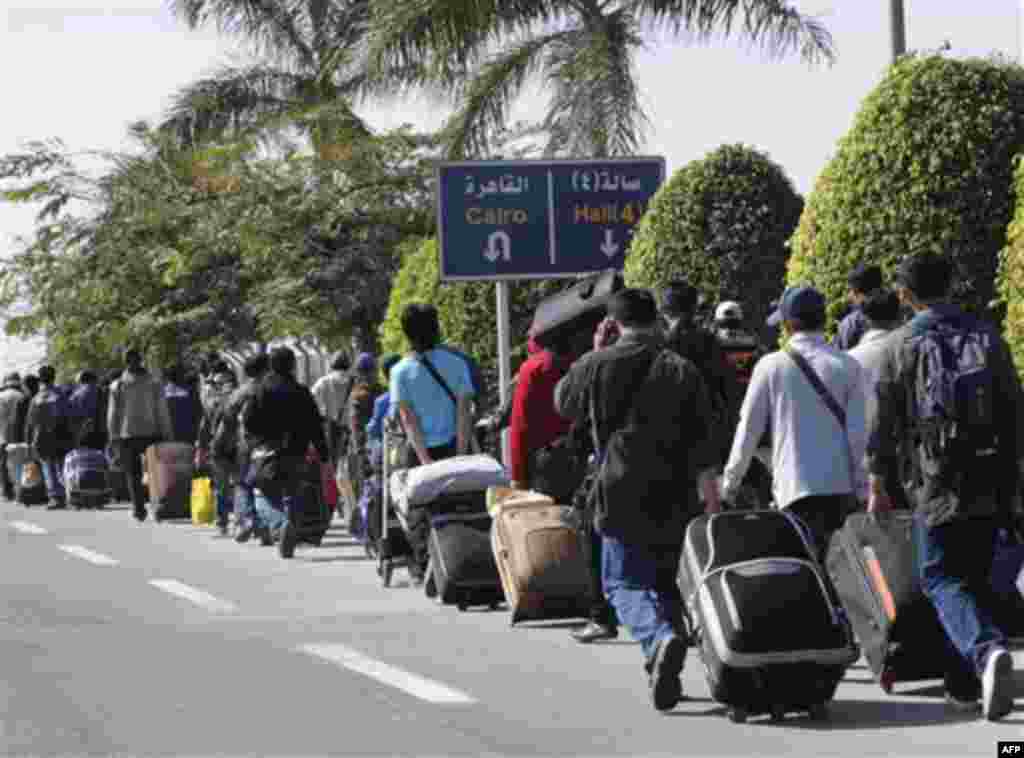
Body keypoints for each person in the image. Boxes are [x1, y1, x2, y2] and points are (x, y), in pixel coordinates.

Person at [866, 254, 1019, 720]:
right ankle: (964, 686)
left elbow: (884, 424)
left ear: (905, 294)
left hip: (933, 482)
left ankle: (986, 651)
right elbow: (1015, 410)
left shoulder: (898, 346)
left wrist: (876, 480)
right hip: (990, 478)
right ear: (951, 284)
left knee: (940, 578)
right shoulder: (987, 337)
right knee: (971, 578)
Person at [555, 289, 721, 712]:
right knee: (666, 581)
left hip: (619, 488)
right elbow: (705, 436)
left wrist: (595, 351)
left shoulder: (597, 363)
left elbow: (563, 403)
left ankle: (658, 639)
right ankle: (663, 664)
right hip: (676, 492)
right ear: (657, 321)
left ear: (613, 324)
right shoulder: (681, 369)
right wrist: (710, 494)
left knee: (623, 582)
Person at [720, 285, 867, 562]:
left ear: (787, 325)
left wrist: (730, 485)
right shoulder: (848, 366)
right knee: (844, 576)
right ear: (823, 319)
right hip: (841, 491)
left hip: (793, 489)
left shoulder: (770, 366)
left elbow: (748, 429)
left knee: (804, 571)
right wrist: (863, 490)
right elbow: (859, 435)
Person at [390, 303, 476, 582]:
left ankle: (426, 562)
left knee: (417, 508)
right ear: (436, 327)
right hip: (455, 446)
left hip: (420, 452)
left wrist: (425, 459)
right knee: (459, 506)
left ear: (406, 333)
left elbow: (407, 419)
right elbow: (464, 410)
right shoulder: (457, 363)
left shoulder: (400, 372)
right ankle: (460, 560)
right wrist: (461, 454)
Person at [242, 347, 329, 556]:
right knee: (294, 493)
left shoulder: (261, 390)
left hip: (266, 450)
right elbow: (314, 425)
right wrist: (323, 454)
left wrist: (256, 440)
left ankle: (280, 523)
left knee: (261, 492)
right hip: (296, 451)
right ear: (292, 365)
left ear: (271, 365)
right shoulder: (302, 392)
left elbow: (248, 420)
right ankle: (290, 525)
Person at [848, 288, 907, 509]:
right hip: (910, 463)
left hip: (862, 465)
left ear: (865, 318)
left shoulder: (849, 361)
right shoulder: (911, 351)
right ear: (901, 314)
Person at [661, 282, 733, 460]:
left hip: (669, 432)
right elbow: (725, 387)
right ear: (694, 308)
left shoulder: (660, 344)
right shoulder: (709, 341)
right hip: (705, 428)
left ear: (664, 311)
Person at [107, 348, 174, 522]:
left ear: (125, 361)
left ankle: (140, 509)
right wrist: (167, 433)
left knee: (134, 474)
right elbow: (162, 410)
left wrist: (113, 436)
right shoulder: (153, 382)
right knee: (152, 472)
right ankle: (153, 508)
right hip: (150, 433)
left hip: (128, 434)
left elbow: (112, 414)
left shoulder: (118, 384)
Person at [217, 353, 272, 545]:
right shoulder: (273, 389)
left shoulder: (239, 393)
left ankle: (247, 520)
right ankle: (265, 527)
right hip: (271, 443)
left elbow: (227, 420)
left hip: (245, 444)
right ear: (265, 369)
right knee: (267, 485)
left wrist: (221, 445)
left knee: (243, 484)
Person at [196, 361, 239, 536]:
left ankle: (222, 521)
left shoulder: (212, 401)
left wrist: (201, 448)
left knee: (222, 487)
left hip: (218, 447)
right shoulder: (240, 397)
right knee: (240, 484)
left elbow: (204, 426)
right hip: (237, 445)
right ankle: (241, 518)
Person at [25, 365, 74, 511]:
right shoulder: (61, 394)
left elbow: (30, 422)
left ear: (40, 379)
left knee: (48, 466)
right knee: (61, 465)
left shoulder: (36, 398)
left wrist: (29, 441)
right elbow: (69, 415)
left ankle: (55, 497)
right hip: (60, 434)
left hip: (41, 436)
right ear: (54, 376)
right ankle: (65, 495)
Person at [312, 353, 353, 470]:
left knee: (331, 465)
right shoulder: (353, 381)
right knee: (347, 466)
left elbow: (310, 399)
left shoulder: (324, 382)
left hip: (330, 429)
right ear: (348, 365)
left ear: (332, 364)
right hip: (350, 430)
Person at [835, 262, 883, 351]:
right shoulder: (901, 313)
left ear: (857, 294)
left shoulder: (850, 324)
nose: (849, 296)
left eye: (850, 291)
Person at [163, 364, 202, 445]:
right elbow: (198, 414)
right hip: (187, 436)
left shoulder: (162, 393)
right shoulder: (191, 392)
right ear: (182, 375)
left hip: (169, 436)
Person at [0, 373, 24, 500]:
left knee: (3, 464)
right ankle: (21, 489)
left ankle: (6, 491)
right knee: (19, 463)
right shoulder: (21, 395)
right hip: (17, 436)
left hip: (2, 435)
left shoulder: (1, 395)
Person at [68, 371, 105, 450]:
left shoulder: (74, 395)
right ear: (92, 380)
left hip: (81, 432)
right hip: (99, 430)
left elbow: (70, 416)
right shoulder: (99, 390)